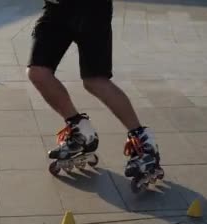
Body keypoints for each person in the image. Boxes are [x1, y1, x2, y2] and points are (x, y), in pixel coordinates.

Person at [26, 0, 162, 182]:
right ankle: (81, 131)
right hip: (56, 9)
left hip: (91, 10)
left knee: (95, 81)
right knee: (38, 72)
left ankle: (144, 142)